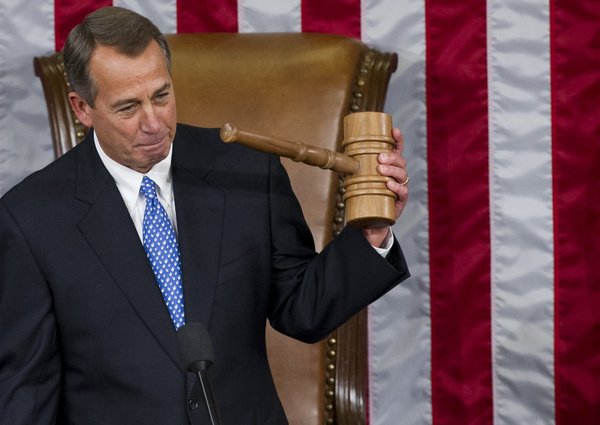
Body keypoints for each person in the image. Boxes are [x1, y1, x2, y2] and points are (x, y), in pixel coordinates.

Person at [0, 6, 410, 425]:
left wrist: (372, 233)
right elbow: (27, 391)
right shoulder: (30, 220)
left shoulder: (248, 170)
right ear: (82, 108)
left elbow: (302, 310)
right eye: (128, 108)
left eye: (161, 95)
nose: (154, 122)